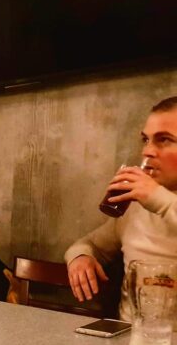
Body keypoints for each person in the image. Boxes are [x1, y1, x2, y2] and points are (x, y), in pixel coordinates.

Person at [65, 96, 177, 320]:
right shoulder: (136, 208)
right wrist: (79, 257)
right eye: (146, 140)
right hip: (130, 343)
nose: (148, 151)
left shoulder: (152, 199)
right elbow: (90, 244)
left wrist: (158, 198)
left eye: (164, 140)